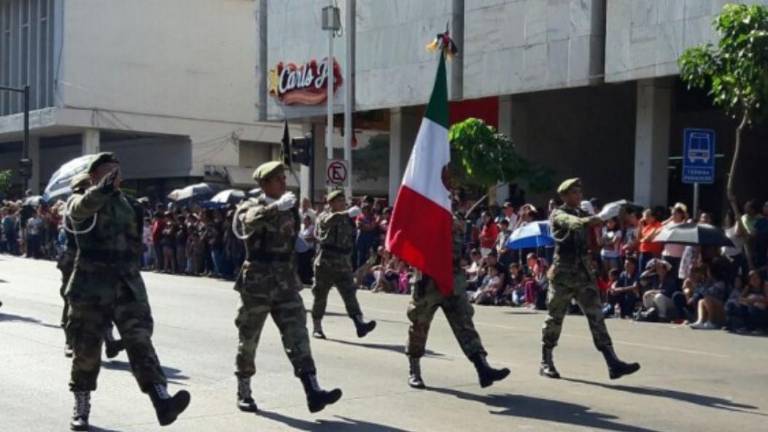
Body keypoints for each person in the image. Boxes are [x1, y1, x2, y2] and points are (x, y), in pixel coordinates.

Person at [65, 153, 190, 431]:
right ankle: (81, 406)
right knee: (86, 347)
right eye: (107, 172)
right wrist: (101, 190)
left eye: (117, 172)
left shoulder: (132, 206)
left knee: (140, 340)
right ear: (93, 176)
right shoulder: (82, 200)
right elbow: (79, 211)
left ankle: (161, 400)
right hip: (91, 283)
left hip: (126, 284)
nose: (114, 177)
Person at [232, 161, 341, 414]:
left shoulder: (289, 209)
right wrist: (273, 208)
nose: (284, 182)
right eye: (278, 179)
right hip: (258, 282)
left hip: (285, 281)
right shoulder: (251, 206)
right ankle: (244, 390)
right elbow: (248, 222)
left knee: (298, 335)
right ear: (265, 183)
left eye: (283, 178)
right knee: (249, 338)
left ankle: (313, 390)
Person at [406, 175, 509, 390]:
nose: (453, 197)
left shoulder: (456, 218)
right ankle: (414, 369)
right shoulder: (426, 213)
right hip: (429, 277)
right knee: (420, 324)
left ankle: (483, 368)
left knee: (464, 321)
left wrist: (458, 221)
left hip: (452, 277)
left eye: (454, 195)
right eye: (448, 193)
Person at [540, 178, 639, 380]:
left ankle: (613, 362)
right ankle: (546, 360)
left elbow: (593, 236)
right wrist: (600, 216)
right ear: (565, 196)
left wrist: (613, 217)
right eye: (574, 193)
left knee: (597, 316)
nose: (579, 196)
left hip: (584, 274)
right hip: (563, 275)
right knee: (555, 318)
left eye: (580, 192)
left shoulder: (583, 213)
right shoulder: (558, 214)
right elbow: (576, 225)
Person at [311, 189, 376, 339]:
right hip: (326, 262)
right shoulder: (324, 216)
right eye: (339, 201)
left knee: (349, 294)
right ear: (331, 203)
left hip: (343, 262)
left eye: (343, 201)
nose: (343, 203)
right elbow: (328, 222)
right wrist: (346, 214)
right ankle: (317, 326)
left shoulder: (348, 219)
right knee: (321, 295)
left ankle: (359, 323)